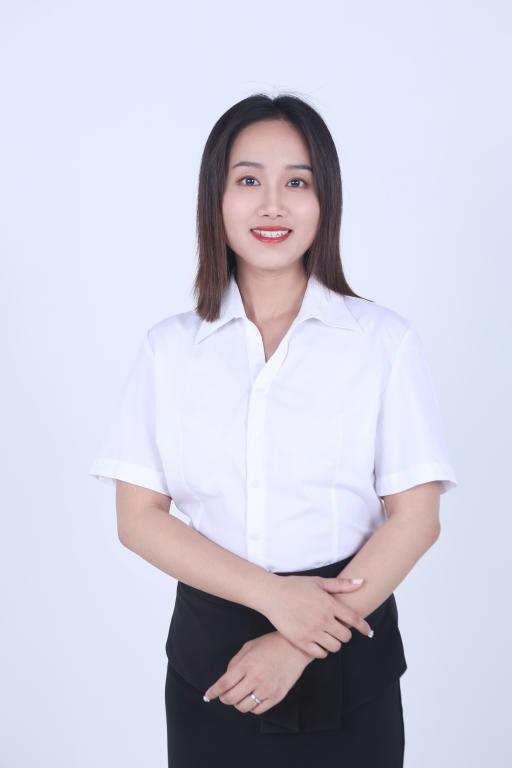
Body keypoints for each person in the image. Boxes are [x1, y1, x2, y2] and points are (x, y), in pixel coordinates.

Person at [90, 93, 458, 767]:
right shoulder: (169, 350)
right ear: (216, 198)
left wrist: (296, 640)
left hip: (348, 644)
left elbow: (416, 519)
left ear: (326, 200)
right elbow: (138, 518)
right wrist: (273, 598)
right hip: (212, 660)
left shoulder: (383, 342)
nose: (272, 206)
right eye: (248, 180)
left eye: (296, 183)